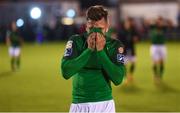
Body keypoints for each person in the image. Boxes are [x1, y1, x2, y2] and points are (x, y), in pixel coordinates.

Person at [61, 5, 126, 113]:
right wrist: (89, 50)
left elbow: (118, 79)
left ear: (107, 27)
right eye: (91, 28)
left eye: (100, 29)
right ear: (86, 26)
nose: (95, 33)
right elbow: (66, 72)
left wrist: (100, 52)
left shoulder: (114, 45)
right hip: (80, 103)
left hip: (105, 105)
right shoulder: (76, 41)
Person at [118, 18, 139, 84]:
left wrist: (136, 39)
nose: (128, 24)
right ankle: (124, 77)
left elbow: (137, 38)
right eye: (127, 23)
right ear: (124, 24)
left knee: (134, 62)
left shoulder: (133, 30)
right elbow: (118, 41)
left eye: (129, 23)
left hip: (131, 49)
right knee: (123, 65)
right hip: (122, 50)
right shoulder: (121, 31)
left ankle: (130, 75)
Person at [149, 17, 167, 85]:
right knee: (154, 62)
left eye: (161, 21)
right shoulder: (153, 27)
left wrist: (162, 23)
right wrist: (154, 20)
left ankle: (160, 76)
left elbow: (166, 25)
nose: (160, 23)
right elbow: (150, 23)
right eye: (158, 21)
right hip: (154, 46)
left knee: (162, 61)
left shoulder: (164, 28)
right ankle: (156, 75)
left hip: (162, 46)